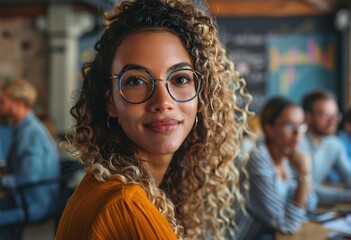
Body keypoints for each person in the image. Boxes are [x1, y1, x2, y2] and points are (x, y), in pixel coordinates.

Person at [55, 0, 251, 239]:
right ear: (110, 102)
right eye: (136, 81)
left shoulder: (108, 184)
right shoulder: (126, 205)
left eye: (179, 79)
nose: (162, 101)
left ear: (203, 95)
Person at [236, 97, 317, 239]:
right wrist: (305, 173)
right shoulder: (258, 159)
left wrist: (303, 175)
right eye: (289, 125)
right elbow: (286, 225)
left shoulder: (289, 156)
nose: (298, 133)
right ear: (269, 129)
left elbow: (310, 205)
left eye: (301, 125)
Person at [300, 89, 351, 206]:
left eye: (335, 115)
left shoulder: (335, 143)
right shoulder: (295, 144)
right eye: (325, 116)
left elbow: (350, 174)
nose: (333, 121)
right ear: (308, 116)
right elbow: (302, 188)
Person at [0, 79, 60, 235]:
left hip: (33, 204)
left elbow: (28, 177)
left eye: (2, 101)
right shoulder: (24, 129)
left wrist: (2, 180)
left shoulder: (31, 133)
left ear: (18, 104)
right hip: (25, 198)